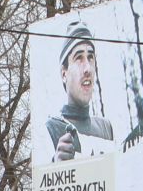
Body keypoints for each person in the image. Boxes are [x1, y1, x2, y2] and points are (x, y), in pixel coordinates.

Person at [44, 23, 116, 162]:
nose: (87, 68)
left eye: (90, 57)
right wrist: (56, 165)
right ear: (64, 74)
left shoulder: (106, 128)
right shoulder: (51, 128)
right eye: (79, 58)